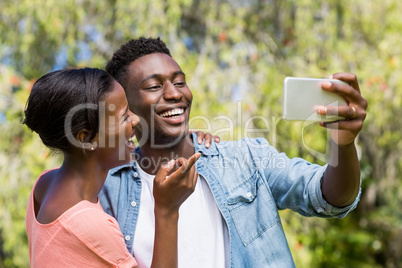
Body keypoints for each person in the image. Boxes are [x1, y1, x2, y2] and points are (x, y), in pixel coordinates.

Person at [100, 37, 368, 267]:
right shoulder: (107, 189)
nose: (174, 94)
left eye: (179, 82)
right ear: (126, 106)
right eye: (154, 86)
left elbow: (330, 198)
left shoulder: (246, 159)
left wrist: (342, 145)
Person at [24, 67, 217, 267]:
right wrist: (167, 210)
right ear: (87, 139)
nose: (135, 120)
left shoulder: (44, 185)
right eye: (124, 117)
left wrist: (180, 141)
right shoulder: (89, 225)